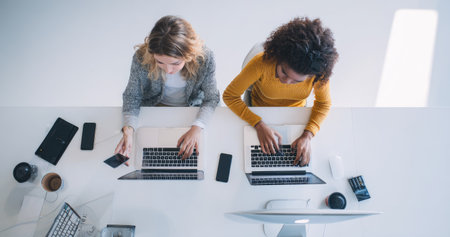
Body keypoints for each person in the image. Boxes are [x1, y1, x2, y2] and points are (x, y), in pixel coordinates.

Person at [223, 17, 338, 166]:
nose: (286, 81)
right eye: (283, 72)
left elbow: (323, 104)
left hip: (297, 117)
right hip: (260, 113)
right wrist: (258, 124)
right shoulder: (261, 62)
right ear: (279, 56)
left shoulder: (318, 75)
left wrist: (308, 135)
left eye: (296, 81)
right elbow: (229, 96)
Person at [115, 15, 220, 160]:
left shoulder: (206, 58)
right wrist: (129, 130)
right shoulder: (140, 57)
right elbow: (132, 96)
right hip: (155, 110)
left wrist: (197, 128)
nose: (168, 70)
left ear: (189, 55)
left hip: (192, 111)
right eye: (160, 62)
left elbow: (212, 98)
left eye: (175, 63)